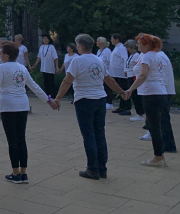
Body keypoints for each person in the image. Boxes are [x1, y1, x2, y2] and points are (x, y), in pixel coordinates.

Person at [0, 41, 57, 184]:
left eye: (1, 52)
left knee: (12, 140)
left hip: (8, 107)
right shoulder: (22, 68)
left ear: (6, 55)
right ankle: (23, 173)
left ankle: (15, 173)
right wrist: (48, 101)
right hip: (22, 105)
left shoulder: (2, 68)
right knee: (21, 138)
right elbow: (34, 86)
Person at [54, 34, 126, 180]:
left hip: (84, 100)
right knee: (100, 133)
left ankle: (92, 169)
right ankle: (102, 168)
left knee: (88, 135)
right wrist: (122, 92)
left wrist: (58, 98)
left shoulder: (77, 60)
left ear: (80, 46)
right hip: (100, 99)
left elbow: (67, 81)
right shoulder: (99, 60)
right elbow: (109, 80)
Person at [123, 34, 170, 167]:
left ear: (147, 45)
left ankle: (158, 157)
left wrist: (130, 89)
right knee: (155, 125)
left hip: (152, 93)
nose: (137, 45)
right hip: (156, 92)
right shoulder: (153, 55)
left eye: (139, 43)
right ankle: (159, 155)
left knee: (154, 126)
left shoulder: (148, 56)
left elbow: (143, 75)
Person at [158, 45, 177, 153]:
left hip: (164, 92)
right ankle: (166, 143)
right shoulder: (160, 56)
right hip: (164, 91)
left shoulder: (160, 57)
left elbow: (163, 76)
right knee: (162, 119)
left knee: (163, 119)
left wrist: (161, 91)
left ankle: (169, 144)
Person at [109, 34, 131, 115]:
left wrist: (125, 70)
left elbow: (125, 58)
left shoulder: (121, 48)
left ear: (117, 39)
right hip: (116, 73)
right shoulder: (116, 47)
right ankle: (121, 107)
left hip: (121, 73)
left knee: (124, 90)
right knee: (120, 90)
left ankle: (127, 108)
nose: (111, 40)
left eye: (112, 39)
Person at [124, 40, 145, 122]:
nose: (127, 49)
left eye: (127, 47)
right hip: (130, 76)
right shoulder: (131, 55)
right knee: (134, 95)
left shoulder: (136, 55)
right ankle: (138, 112)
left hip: (134, 77)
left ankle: (140, 113)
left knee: (136, 96)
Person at [96, 37, 114, 110]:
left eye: (98, 41)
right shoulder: (98, 51)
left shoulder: (107, 51)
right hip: (99, 72)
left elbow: (110, 61)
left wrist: (110, 72)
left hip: (106, 71)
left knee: (107, 87)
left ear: (102, 43)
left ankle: (109, 102)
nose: (96, 43)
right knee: (102, 87)